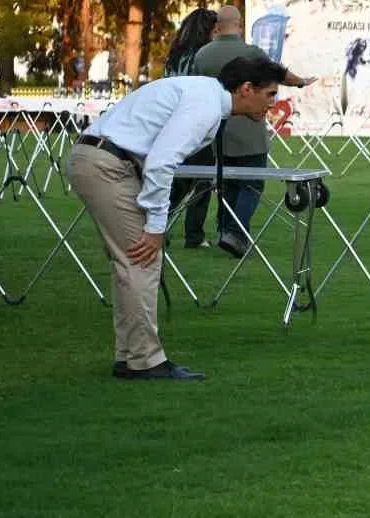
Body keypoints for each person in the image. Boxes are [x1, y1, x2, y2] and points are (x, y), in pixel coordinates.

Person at [68, 56, 288, 381]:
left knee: (132, 262)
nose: (273, 103)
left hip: (103, 160)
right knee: (141, 258)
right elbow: (161, 163)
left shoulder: (205, 96)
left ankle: (132, 356)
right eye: (269, 95)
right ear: (246, 89)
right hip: (108, 164)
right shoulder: (206, 105)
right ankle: (144, 361)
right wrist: (156, 227)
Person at [191, 6, 317, 257]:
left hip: (218, 129)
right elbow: (278, 74)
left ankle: (226, 231)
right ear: (239, 24)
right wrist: (301, 81)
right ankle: (237, 234)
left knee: (227, 185)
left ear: (217, 26)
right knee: (251, 185)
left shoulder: (202, 55)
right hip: (250, 128)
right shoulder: (251, 52)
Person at [163, 8, 220, 250]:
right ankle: (193, 234)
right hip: (196, 123)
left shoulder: (175, 56)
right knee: (201, 179)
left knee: (179, 181)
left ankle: (159, 224)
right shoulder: (202, 57)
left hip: (173, 122)